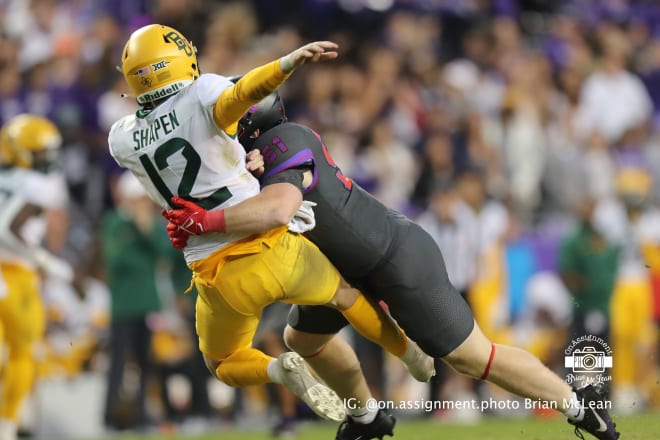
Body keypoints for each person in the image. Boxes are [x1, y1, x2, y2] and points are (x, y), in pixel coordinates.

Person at [166, 91, 620, 440]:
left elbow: (278, 208)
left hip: (392, 256)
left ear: (249, 125)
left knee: (469, 356)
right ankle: (366, 415)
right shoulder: (250, 161)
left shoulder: (284, 143)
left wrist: (202, 221)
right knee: (300, 337)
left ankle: (577, 403)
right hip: (343, 267)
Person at [108, 24, 433, 425]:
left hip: (217, 277)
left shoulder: (122, 139)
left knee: (222, 363)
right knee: (347, 297)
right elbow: (240, 95)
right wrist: (286, 64)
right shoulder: (201, 93)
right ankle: (410, 354)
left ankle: (277, 370)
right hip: (273, 249)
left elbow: (187, 150)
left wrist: (236, 160)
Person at [0, 115, 72, 440]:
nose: (48, 159)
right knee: (23, 354)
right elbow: (8, 227)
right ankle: (7, 425)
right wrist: (44, 260)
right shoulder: (36, 184)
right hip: (16, 273)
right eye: (41, 152)